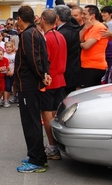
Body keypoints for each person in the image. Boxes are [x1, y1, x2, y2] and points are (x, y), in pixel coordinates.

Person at [14, 5, 51, 173]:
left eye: (17, 20)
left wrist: (42, 75)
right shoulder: (36, 32)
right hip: (32, 84)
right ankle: (35, 155)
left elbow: (33, 60)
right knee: (33, 120)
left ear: (20, 19)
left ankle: (37, 159)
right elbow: (43, 56)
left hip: (28, 85)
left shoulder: (28, 35)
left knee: (31, 122)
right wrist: (45, 74)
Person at [39, 9, 67, 161]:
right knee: (55, 114)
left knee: (47, 114)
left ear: (43, 20)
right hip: (60, 79)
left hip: (49, 80)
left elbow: (45, 61)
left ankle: (52, 147)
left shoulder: (46, 38)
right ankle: (56, 145)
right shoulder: (60, 36)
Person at [54, 5, 81, 94]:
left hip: (66, 73)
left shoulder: (61, 34)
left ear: (57, 18)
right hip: (73, 70)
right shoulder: (73, 27)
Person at [79, 5, 108, 87]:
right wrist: (85, 28)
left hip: (94, 66)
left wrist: (81, 43)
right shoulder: (89, 26)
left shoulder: (99, 27)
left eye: (84, 14)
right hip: (87, 65)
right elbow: (78, 38)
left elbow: (86, 46)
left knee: (88, 93)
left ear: (92, 16)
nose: (82, 16)